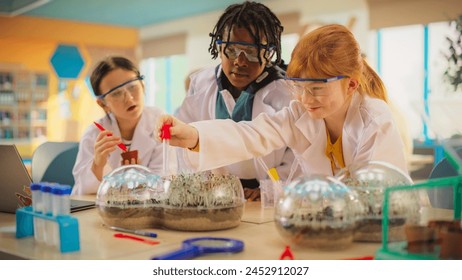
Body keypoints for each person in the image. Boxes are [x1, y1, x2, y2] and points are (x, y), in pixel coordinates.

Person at [157, 24, 409, 178]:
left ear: (351, 84)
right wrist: (193, 136)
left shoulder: (374, 120)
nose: (304, 98)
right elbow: (251, 135)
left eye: (316, 88)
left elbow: (374, 192)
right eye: (297, 87)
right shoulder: (299, 112)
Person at [175, 1, 299, 201]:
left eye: (251, 51)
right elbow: (184, 143)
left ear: (269, 53)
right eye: (231, 50)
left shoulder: (286, 92)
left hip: (264, 195)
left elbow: (297, 155)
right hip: (215, 193)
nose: (240, 61)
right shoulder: (201, 83)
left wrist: (268, 190)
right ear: (219, 46)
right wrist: (201, 182)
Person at [72, 56, 169, 195]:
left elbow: (166, 182)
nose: (129, 98)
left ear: (143, 86)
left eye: (132, 87)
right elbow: (80, 192)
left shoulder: (161, 124)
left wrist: (141, 179)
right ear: (103, 104)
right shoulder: (93, 135)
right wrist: (97, 166)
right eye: (116, 93)